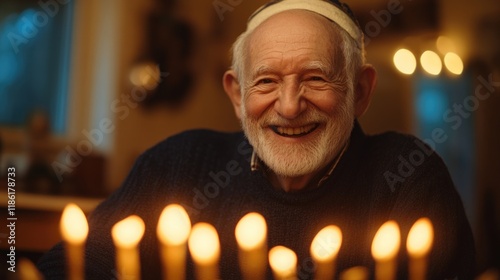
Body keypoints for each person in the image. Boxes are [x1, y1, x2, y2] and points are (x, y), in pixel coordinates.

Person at [38, 0, 476, 279]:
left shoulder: (407, 176)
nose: (288, 106)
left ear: (359, 91)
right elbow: (70, 266)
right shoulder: (177, 164)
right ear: (236, 93)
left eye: (315, 78)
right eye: (266, 81)